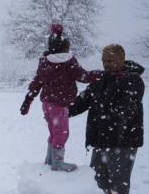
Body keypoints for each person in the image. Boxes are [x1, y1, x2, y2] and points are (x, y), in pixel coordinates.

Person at [68, 44, 145, 194]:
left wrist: (108, 115)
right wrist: (63, 111)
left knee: (118, 175)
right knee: (99, 173)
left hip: (123, 137)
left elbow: (127, 107)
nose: (106, 64)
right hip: (101, 136)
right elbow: (83, 101)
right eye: (104, 60)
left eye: (110, 60)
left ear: (122, 59)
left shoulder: (132, 79)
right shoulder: (100, 79)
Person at [20, 23, 102, 171]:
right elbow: (83, 76)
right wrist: (99, 74)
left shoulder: (45, 62)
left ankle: (50, 159)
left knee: (54, 131)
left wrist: (28, 99)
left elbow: (37, 82)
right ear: (66, 46)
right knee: (62, 132)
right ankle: (57, 163)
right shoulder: (68, 61)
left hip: (47, 104)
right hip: (60, 105)